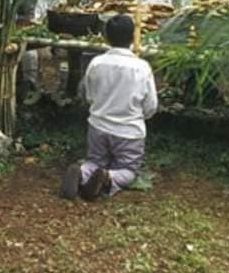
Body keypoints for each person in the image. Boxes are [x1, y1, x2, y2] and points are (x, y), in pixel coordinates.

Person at [60, 15, 158, 200]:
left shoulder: (96, 63)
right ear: (133, 37)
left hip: (98, 127)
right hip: (129, 131)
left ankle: (82, 172)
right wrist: (138, 117)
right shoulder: (142, 67)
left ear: (106, 36)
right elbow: (150, 106)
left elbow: (88, 96)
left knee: (94, 161)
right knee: (129, 170)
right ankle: (108, 178)